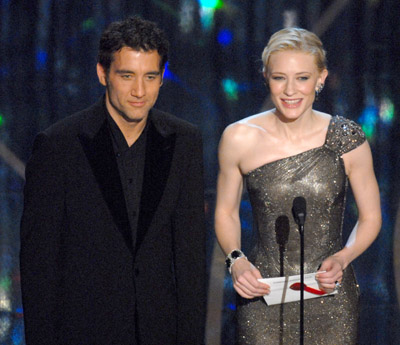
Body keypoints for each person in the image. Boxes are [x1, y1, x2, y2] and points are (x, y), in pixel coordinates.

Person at [20, 16, 206, 345]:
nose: (139, 91)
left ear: (162, 78)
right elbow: (39, 267)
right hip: (83, 332)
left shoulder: (184, 142)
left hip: (159, 333)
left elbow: (190, 261)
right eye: (127, 76)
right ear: (102, 73)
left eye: (150, 77)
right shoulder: (58, 146)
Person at [215, 27, 381, 344]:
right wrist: (236, 261)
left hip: (330, 296)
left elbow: (371, 217)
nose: (291, 90)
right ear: (265, 76)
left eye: (302, 78)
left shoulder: (347, 138)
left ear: (321, 78)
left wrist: (344, 257)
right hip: (263, 295)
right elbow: (226, 212)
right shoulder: (238, 137)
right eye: (280, 78)